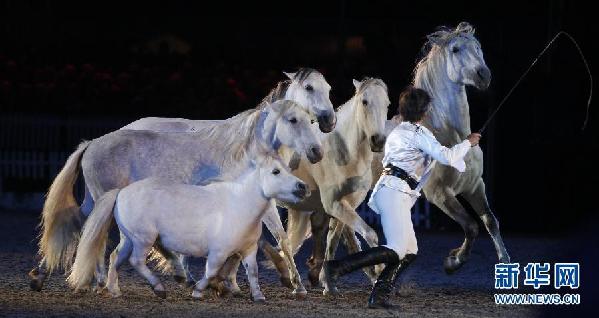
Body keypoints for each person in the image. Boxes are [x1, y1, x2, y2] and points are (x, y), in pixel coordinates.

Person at [323, 86, 481, 309]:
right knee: (397, 249)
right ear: (424, 112)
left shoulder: (401, 131)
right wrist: (468, 143)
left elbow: (450, 158)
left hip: (395, 191)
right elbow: (446, 156)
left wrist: (463, 150)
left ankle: (379, 296)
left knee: (410, 251)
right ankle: (337, 267)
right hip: (395, 192)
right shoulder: (418, 133)